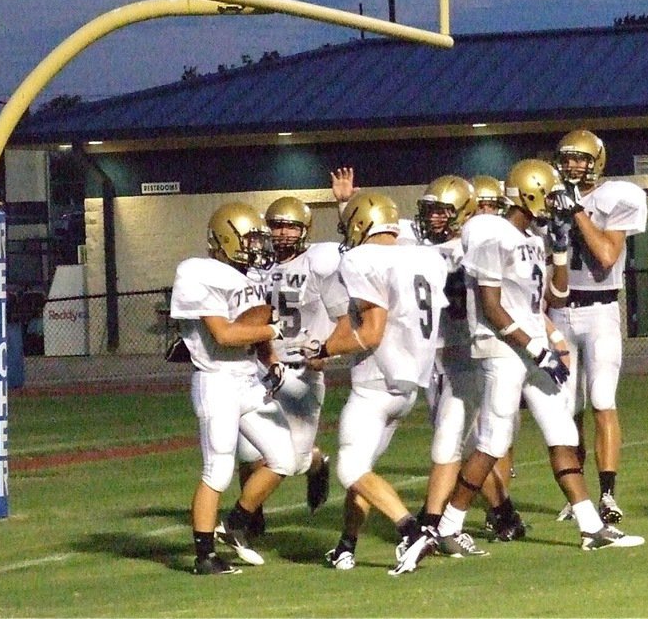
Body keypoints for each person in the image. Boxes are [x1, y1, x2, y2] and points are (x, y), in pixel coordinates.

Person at [394, 159, 644, 575]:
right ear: (530, 194)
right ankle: (448, 524)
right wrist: (534, 345)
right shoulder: (492, 233)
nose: (555, 205)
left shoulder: (528, 236)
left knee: (562, 428)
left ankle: (591, 526)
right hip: (501, 348)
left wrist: (560, 251)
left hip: (531, 348)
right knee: (493, 438)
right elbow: (490, 307)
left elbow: (558, 297)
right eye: (548, 196)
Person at [311, 191, 447, 574]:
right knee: (364, 469)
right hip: (410, 384)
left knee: (351, 469)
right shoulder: (422, 256)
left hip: (376, 381)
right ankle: (345, 546)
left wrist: (323, 348)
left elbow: (371, 333)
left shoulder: (362, 259)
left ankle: (412, 531)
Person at [169, 202, 296, 574]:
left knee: (285, 458)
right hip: (217, 383)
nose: (258, 247)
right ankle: (204, 555)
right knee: (218, 470)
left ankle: (237, 522)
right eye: (250, 239)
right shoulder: (199, 272)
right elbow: (224, 334)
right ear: (226, 239)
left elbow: (252, 328)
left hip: (247, 380)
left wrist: (271, 357)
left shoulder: (248, 277)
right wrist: (271, 331)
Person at [408, 175, 528, 544]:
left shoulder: (476, 248)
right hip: (437, 356)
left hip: (468, 355)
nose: (434, 220)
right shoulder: (417, 244)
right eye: (429, 211)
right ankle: (502, 512)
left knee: (459, 440)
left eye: (442, 212)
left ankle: (435, 521)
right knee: (461, 442)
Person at [228, 197, 349, 539]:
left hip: (301, 370)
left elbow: (342, 317)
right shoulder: (253, 268)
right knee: (250, 450)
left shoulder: (319, 263)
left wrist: (328, 352)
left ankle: (315, 463)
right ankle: (250, 517)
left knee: (292, 461)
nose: (282, 233)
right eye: (277, 225)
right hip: (260, 367)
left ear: (304, 230)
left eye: (291, 226)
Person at [548, 130, 648, 524]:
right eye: (567, 159)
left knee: (602, 399)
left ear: (597, 162)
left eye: (581, 159)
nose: (573, 166)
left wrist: (576, 212)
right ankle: (580, 498)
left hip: (600, 310)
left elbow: (606, 255)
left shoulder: (616, 197)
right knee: (566, 410)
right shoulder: (549, 195)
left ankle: (608, 495)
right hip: (558, 312)